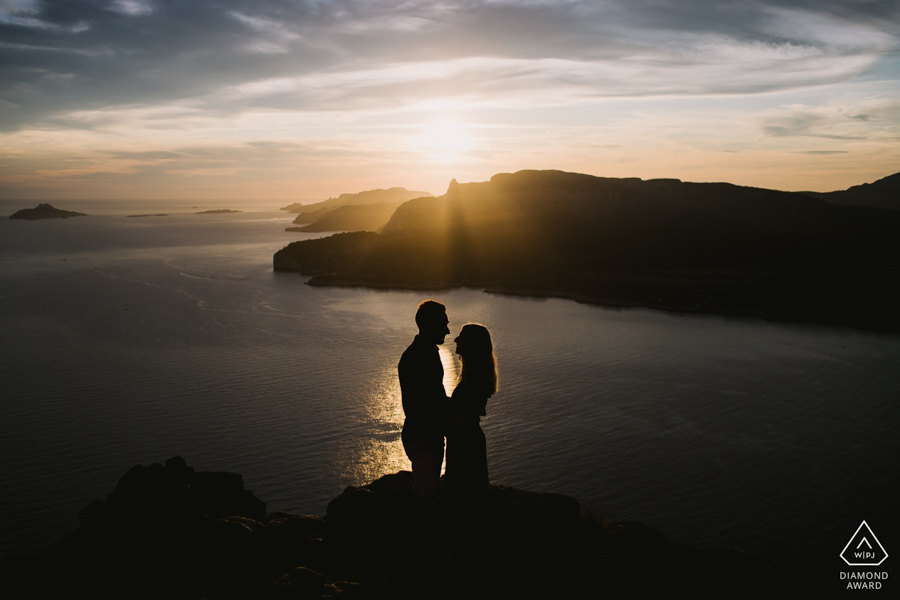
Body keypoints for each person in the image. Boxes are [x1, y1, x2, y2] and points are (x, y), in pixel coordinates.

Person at [398, 299, 450, 498]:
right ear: (430, 325)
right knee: (427, 496)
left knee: (426, 491)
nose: (447, 331)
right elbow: (423, 402)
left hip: (428, 435)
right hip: (423, 437)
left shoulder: (427, 352)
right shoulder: (415, 357)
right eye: (443, 325)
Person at [444, 323, 498, 495]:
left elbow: (462, 418)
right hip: (466, 441)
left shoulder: (475, 378)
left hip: (465, 445)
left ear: (472, 343)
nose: (456, 339)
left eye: (461, 336)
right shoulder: (475, 375)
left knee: (463, 495)